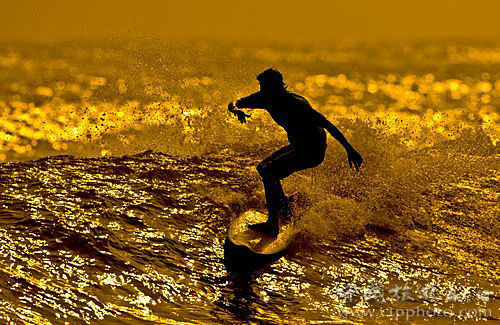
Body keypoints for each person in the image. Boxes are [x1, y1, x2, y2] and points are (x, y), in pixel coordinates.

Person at [228, 68, 363, 237]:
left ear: (277, 87)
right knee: (263, 169)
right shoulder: (264, 98)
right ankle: (285, 209)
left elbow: (327, 124)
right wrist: (236, 111)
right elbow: (233, 103)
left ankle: (272, 224)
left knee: (270, 172)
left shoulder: (296, 103)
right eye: (261, 86)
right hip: (298, 145)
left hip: (313, 149)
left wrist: (349, 149)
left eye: (265, 87)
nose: (262, 90)